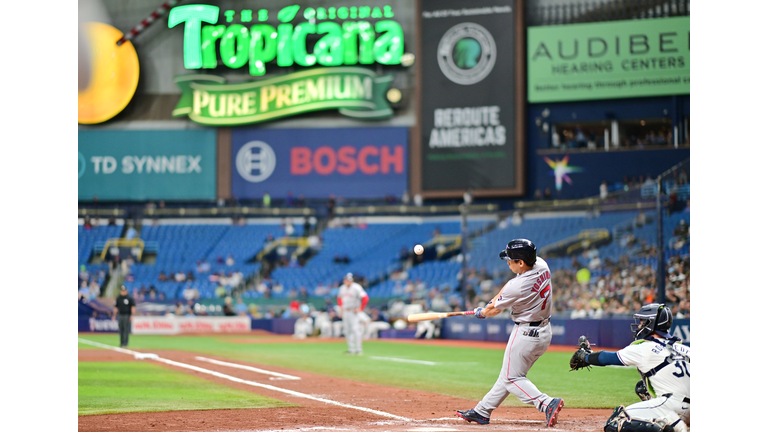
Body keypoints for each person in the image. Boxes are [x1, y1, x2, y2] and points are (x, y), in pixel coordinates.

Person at [456, 239, 564, 428]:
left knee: (512, 378)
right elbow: (508, 288)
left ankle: (546, 402)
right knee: (508, 374)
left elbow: (493, 310)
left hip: (526, 334)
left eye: (511, 260)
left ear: (521, 263)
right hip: (544, 332)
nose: (508, 262)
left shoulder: (519, 286)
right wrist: (490, 303)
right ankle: (482, 411)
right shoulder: (541, 264)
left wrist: (482, 311)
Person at [569, 303, 690, 432]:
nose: (639, 325)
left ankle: (669, 426)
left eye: (642, 321)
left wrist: (585, 356)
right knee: (642, 388)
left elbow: (607, 358)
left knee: (617, 421)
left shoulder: (644, 347)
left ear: (651, 324)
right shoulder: (686, 349)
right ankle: (674, 420)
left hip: (672, 404)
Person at [336, 273, 368, 355]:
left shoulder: (356, 287)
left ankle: (359, 349)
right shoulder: (342, 288)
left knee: (355, 330)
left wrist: (360, 308)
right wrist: (341, 308)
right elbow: (339, 298)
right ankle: (351, 349)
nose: (348, 281)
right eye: (346, 280)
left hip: (353, 311)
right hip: (345, 311)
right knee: (347, 331)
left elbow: (365, 298)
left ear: (352, 280)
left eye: (349, 280)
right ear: (344, 280)